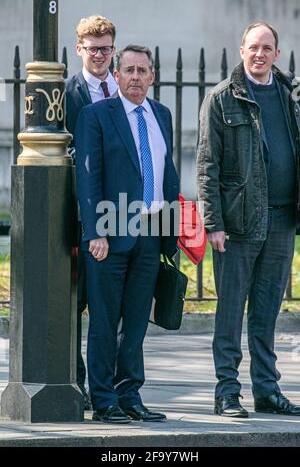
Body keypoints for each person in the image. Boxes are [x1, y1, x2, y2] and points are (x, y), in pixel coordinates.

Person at [197, 22, 300, 418]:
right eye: (253, 47)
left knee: (266, 310)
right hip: (237, 224)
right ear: (242, 51)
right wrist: (214, 224)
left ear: (277, 53)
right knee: (229, 312)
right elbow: (207, 165)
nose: (259, 53)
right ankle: (226, 392)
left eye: (267, 47)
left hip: (282, 220)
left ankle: (267, 390)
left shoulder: (291, 95)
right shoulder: (222, 99)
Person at [75, 45, 179, 423]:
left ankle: (129, 395)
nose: (135, 77)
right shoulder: (96, 115)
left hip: (151, 232)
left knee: (135, 321)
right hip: (110, 232)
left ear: (152, 76)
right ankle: (103, 401)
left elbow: (166, 172)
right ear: (117, 75)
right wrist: (95, 232)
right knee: (104, 320)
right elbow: (88, 178)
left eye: (142, 71)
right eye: (129, 70)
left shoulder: (162, 114)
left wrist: (173, 230)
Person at [66, 14, 118, 410]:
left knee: (111, 308)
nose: (99, 55)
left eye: (105, 48)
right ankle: (77, 383)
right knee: (76, 303)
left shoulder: (125, 90)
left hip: (122, 215)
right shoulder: (67, 93)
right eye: (92, 48)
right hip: (80, 216)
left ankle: (111, 386)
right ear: (79, 49)